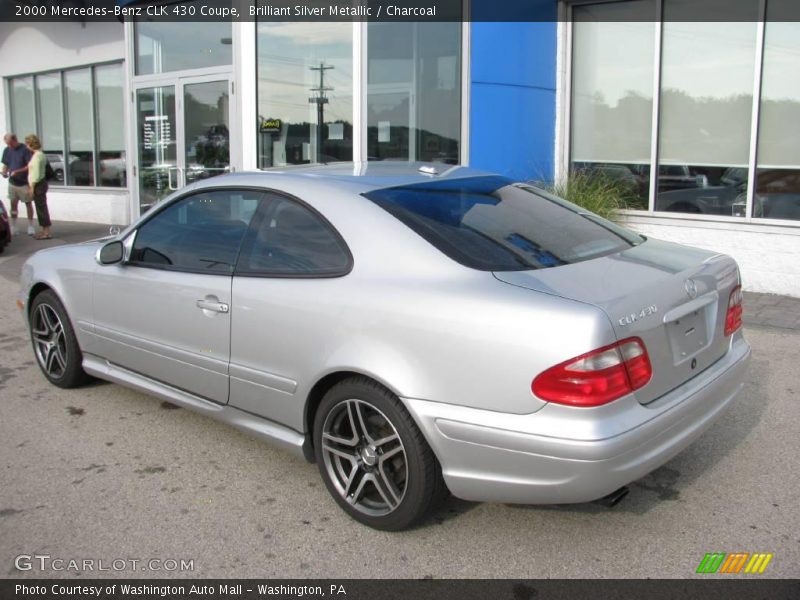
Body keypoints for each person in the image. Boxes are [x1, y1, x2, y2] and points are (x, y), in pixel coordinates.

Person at [1, 132, 35, 236]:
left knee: (28, 204)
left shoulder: (25, 149)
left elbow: (29, 166)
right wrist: (4, 172)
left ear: (15, 140)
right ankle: (14, 226)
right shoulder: (7, 150)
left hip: (24, 182)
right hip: (12, 182)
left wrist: (18, 172)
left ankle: (30, 226)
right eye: (7, 144)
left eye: (11, 144)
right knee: (13, 204)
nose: (9, 146)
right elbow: (6, 164)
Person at [24, 134, 52, 240]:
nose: (26, 146)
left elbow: (35, 174)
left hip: (38, 185)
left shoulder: (37, 156)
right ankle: (44, 230)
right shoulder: (40, 154)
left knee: (41, 208)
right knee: (41, 207)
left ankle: (46, 232)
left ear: (30, 144)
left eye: (27, 144)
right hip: (41, 184)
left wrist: (32, 188)